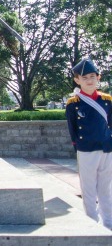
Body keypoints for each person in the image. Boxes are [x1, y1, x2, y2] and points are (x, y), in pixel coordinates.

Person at [66, 59, 112, 229]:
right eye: (84, 78)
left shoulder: (107, 100)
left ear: (98, 78)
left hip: (106, 148)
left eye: (92, 76)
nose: (89, 80)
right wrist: (78, 147)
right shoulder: (73, 103)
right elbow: (73, 129)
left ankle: (108, 223)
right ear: (77, 80)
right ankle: (92, 223)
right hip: (86, 150)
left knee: (106, 189)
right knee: (89, 190)